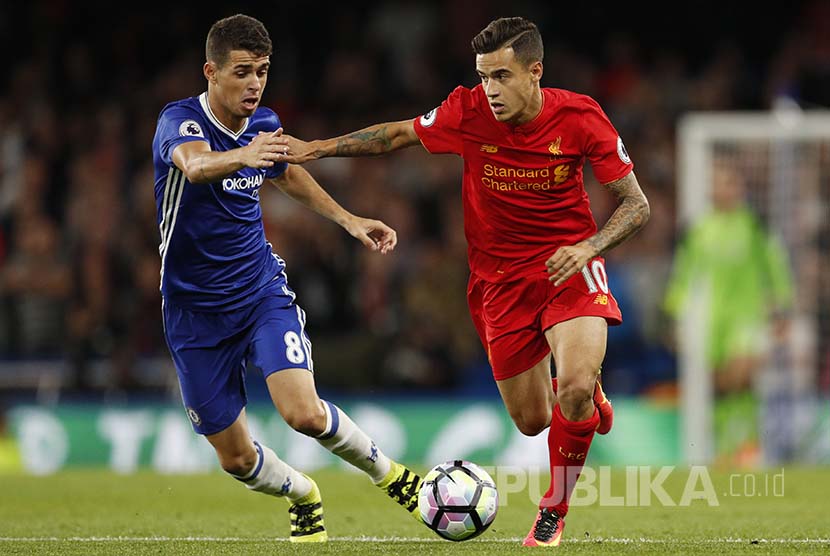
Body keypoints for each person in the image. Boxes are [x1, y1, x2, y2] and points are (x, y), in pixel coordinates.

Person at [277, 16, 650, 547]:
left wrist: (589, 246)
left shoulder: (581, 117)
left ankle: (553, 513)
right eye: (483, 77)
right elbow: (397, 135)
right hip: (498, 282)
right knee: (532, 421)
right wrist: (318, 147)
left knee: (571, 391)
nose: (490, 90)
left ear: (534, 72)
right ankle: (584, 392)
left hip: (569, 265)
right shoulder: (467, 111)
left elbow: (636, 205)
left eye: (501, 76)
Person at [151, 14, 422, 543]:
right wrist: (245, 155)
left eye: (264, 72)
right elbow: (196, 166)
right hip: (192, 312)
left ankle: (393, 478)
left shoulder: (263, 122)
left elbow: (288, 171)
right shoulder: (179, 121)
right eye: (243, 72)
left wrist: (350, 219)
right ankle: (303, 492)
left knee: (303, 413)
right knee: (234, 458)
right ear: (211, 71)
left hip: (259, 294)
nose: (255, 84)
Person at [663, 157, 793, 465]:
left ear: (740, 187)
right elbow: (685, 273)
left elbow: (774, 266)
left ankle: (748, 446)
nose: (722, 188)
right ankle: (727, 448)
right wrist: (673, 314)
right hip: (712, 320)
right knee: (721, 385)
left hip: (748, 315)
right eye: (717, 182)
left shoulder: (754, 225)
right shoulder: (699, 229)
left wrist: (782, 307)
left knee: (741, 374)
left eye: (729, 182)